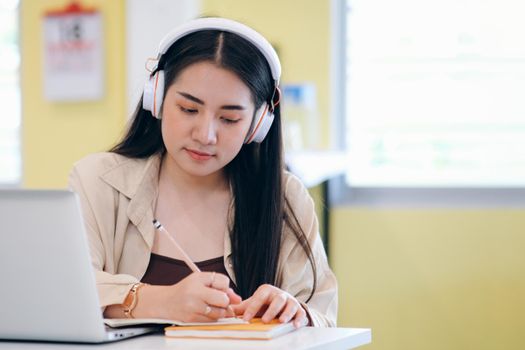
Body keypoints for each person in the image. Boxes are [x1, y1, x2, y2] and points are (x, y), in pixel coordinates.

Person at [69, 17, 337, 328]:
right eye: (189, 110)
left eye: (229, 119)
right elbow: (64, 292)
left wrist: (297, 315)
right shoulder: (97, 181)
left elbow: (324, 316)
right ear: (156, 98)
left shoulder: (285, 199)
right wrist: (161, 301)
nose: (206, 135)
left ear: (258, 125)